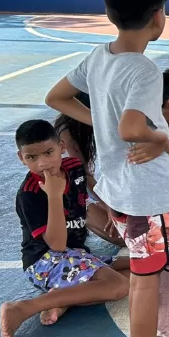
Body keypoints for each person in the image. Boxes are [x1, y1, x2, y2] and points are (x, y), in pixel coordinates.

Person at [45, 0, 169, 337]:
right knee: (147, 282)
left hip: (117, 190)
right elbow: (131, 128)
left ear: (110, 14)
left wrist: (101, 122)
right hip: (146, 195)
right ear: (158, 15)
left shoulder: (98, 56)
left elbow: (56, 97)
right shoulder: (144, 70)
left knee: (143, 273)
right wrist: (161, 138)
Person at [0, 120, 131, 337]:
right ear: (21, 158)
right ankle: (24, 307)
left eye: (48, 152)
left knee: (137, 267)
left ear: (61, 146)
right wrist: (54, 195)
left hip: (76, 254)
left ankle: (62, 300)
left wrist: (109, 209)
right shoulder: (29, 194)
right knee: (119, 286)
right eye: (32, 157)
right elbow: (57, 245)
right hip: (44, 261)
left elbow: (87, 194)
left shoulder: (73, 167)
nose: (42, 163)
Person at [54, 93, 123, 247]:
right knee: (123, 237)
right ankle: (72, 220)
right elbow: (84, 178)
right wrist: (109, 207)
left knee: (131, 228)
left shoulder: (85, 129)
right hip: (69, 195)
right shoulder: (67, 134)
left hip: (86, 189)